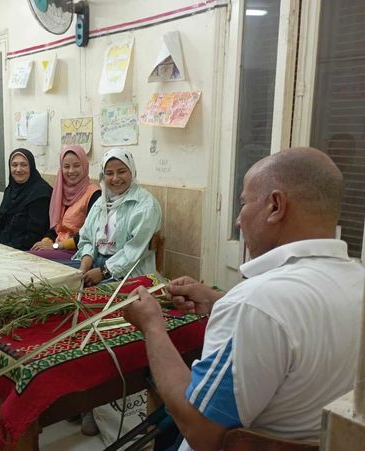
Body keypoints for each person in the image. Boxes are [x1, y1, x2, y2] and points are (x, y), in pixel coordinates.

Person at [124, 147, 363, 451]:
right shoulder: (357, 279)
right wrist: (216, 299)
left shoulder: (255, 303)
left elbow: (200, 431)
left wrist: (152, 325)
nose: (238, 220)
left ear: (275, 206)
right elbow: (299, 322)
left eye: (243, 203)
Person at [74, 147, 162, 286]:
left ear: (132, 171)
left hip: (128, 272)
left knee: (85, 296)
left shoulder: (145, 205)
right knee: (59, 281)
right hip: (95, 263)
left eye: (121, 171)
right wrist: (83, 268)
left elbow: (134, 251)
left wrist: (103, 271)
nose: (115, 178)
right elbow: (86, 239)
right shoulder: (101, 202)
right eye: (109, 173)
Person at [30, 144, 101, 262]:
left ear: (85, 166)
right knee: (27, 256)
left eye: (76, 165)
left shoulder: (94, 194)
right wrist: (45, 242)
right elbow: (56, 229)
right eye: (66, 166)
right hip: (58, 248)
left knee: (30, 260)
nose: (71, 171)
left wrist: (55, 246)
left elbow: (89, 234)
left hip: (78, 252)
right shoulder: (61, 192)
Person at [0, 148, 52, 250]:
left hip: (25, 250)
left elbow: (35, 234)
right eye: (14, 165)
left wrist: (6, 248)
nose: (18, 169)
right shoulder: (10, 190)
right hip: (3, 245)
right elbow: (0, 224)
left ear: (31, 167)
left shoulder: (41, 193)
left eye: (24, 165)